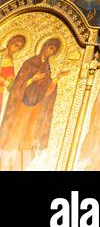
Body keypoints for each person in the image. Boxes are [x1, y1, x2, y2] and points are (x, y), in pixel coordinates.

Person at [0, 38, 63, 167]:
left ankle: (20, 166)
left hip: (36, 108)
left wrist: (56, 79)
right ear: (44, 46)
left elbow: (46, 91)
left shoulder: (47, 68)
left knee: (28, 136)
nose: (51, 52)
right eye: (51, 48)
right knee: (16, 133)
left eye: (54, 51)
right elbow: (17, 85)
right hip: (22, 106)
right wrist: (32, 80)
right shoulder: (30, 63)